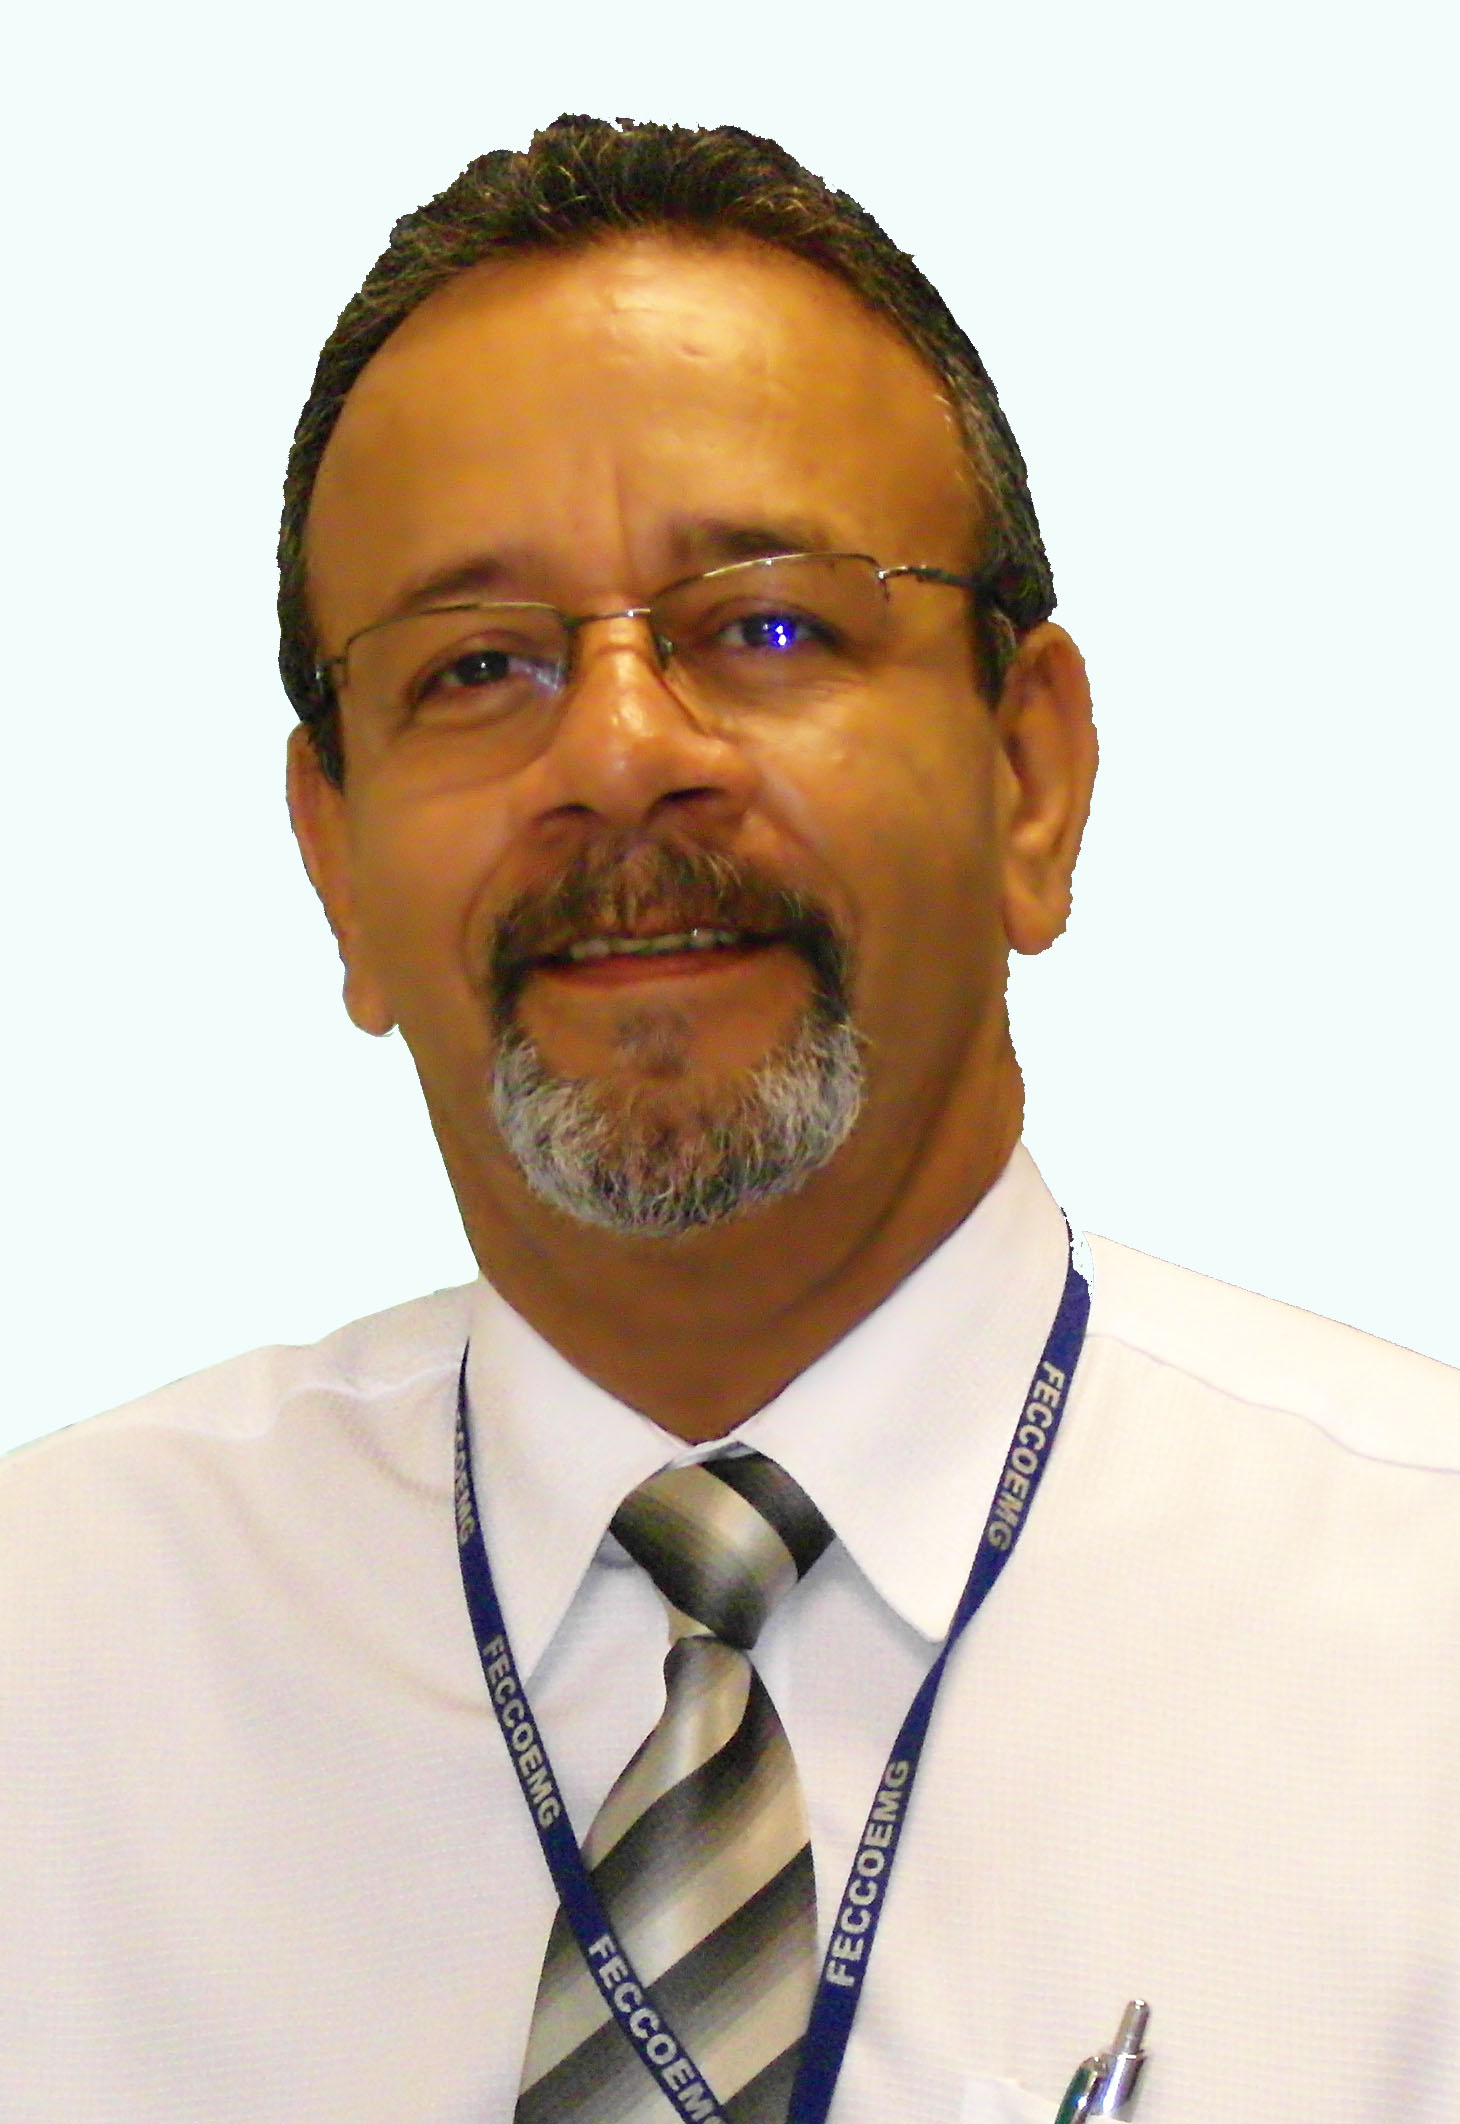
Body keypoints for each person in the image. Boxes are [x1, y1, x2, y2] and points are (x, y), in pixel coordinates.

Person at [2, 114, 1457, 2124]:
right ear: (333, 863)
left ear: (1028, 778)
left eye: (766, 626)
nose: (617, 755)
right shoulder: (48, 1665)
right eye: (477, 666)